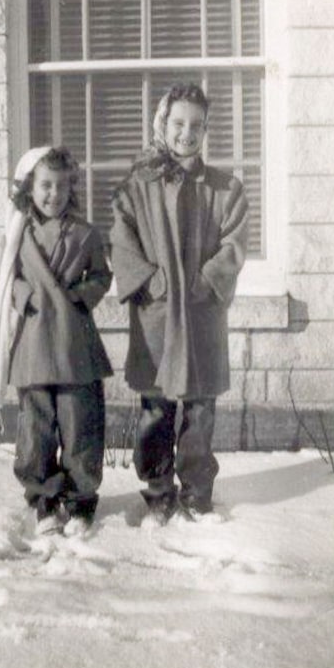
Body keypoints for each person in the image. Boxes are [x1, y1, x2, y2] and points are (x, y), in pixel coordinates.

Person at [110, 83, 249, 526]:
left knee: (200, 408)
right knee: (156, 406)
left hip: (202, 315)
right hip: (158, 313)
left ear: (206, 129)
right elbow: (122, 241)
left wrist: (208, 280)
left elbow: (234, 243)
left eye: (196, 125)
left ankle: (196, 493)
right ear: (162, 124)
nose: (186, 133)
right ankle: (156, 491)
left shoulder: (225, 189)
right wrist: (150, 281)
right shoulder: (137, 186)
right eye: (178, 123)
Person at [0, 146, 113, 537]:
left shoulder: (86, 234)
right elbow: (4, 280)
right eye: (45, 185)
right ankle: (42, 499)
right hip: (34, 343)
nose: (53, 194)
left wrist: (80, 296)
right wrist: (24, 296)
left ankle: (79, 502)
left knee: (80, 426)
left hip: (74, 345)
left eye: (61, 186)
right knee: (36, 430)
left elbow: (101, 277)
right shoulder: (16, 235)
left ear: (71, 189)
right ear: (29, 187)